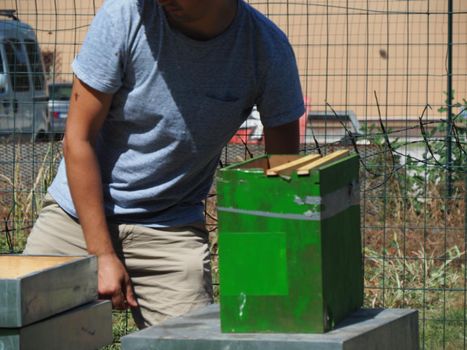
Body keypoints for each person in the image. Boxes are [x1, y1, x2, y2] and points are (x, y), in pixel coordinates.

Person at [24, 0, 305, 328]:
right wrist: (101, 253)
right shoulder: (124, 17)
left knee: (190, 342)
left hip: (170, 227)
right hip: (75, 215)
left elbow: (281, 176)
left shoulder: (266, 49)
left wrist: (274, 285)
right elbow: (77, 140)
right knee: (25, 326)